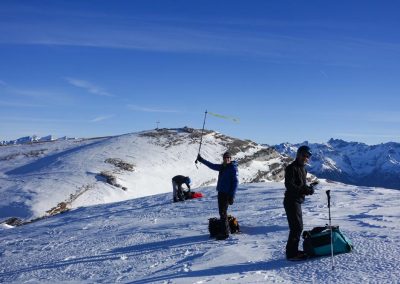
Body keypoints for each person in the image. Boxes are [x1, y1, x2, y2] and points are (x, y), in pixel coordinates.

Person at [284, 145, 318, 260]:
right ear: (298, 154)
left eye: (308, 156)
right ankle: (292, 254)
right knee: (296, 227)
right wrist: (304, 190)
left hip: (297, 201)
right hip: (291, 201)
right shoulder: (291, 168)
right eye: (304, 155)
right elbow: (290, 186)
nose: (306, 158)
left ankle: (293, 251)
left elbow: (300, 185)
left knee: (297, 227)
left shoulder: (303, 169)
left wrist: (308, 189)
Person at [196, 151, 239, 240]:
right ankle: (225, 231)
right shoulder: (223, 167)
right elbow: (212, 165)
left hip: (226, 194)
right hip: (221, 193)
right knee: (222, 212)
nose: (227, 159)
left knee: (223, 212)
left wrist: (232, 195)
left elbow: (235, 182)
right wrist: (201, 160)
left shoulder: (232, 168)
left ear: (230, 159)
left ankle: (225, 233)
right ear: (223, 159)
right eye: (225, 158)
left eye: (228, 158)